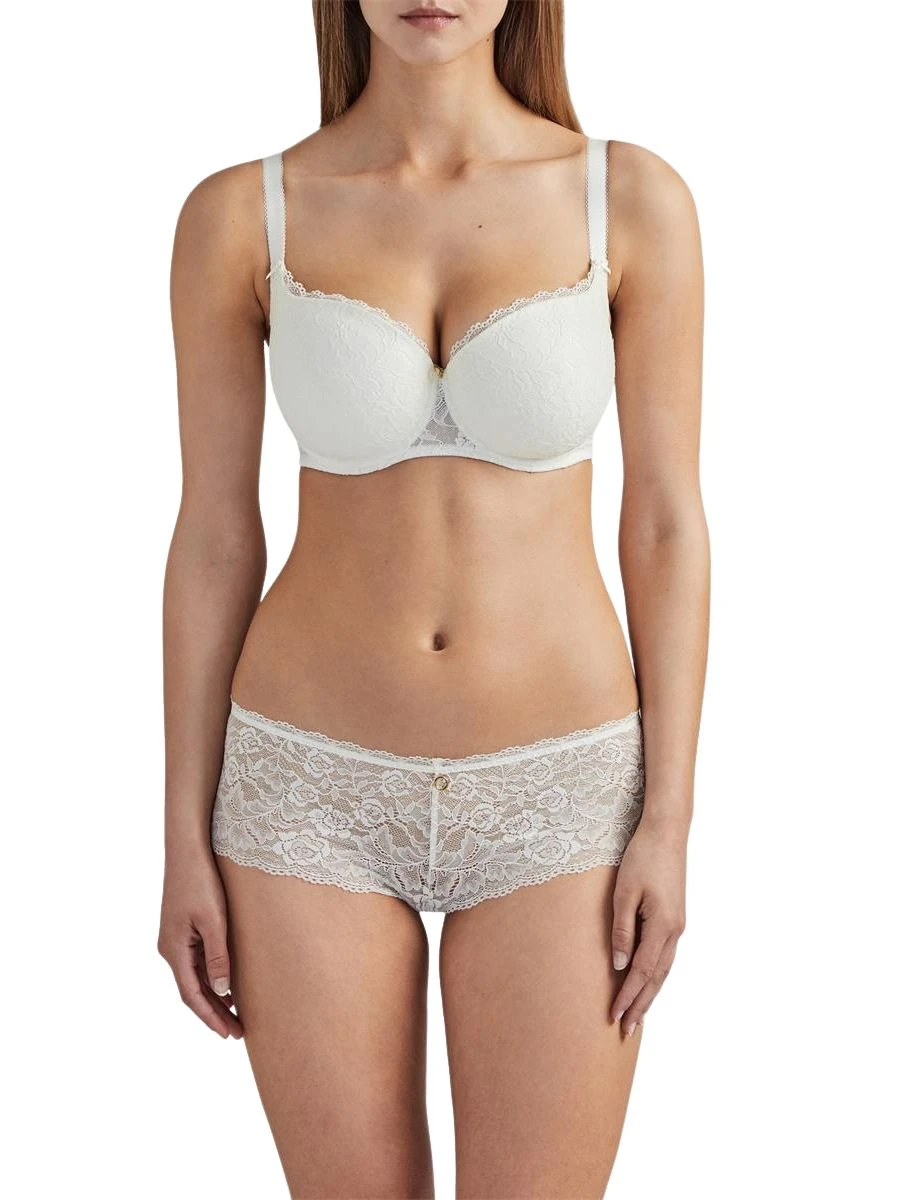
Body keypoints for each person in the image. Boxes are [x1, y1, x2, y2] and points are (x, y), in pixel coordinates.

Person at [157, 1, 709, 1195]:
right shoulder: (241, 214)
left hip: (561, 792)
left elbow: (665, 524)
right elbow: (212, 539)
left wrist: (669, 818)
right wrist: (182, 839)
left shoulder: (630, 198)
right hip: (307, 788)